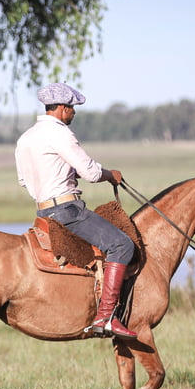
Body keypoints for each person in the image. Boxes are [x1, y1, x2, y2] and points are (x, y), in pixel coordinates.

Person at [15, 82, 137, 339]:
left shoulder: (25, 138)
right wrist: (110, 175)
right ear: (60, 108)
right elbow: (91, 172)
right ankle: (105, 317)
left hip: (43, 213)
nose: (74, 113)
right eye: (71, 108)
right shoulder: (60, 133)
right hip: (68, 212)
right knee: (122, 245)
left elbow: (25, 181)